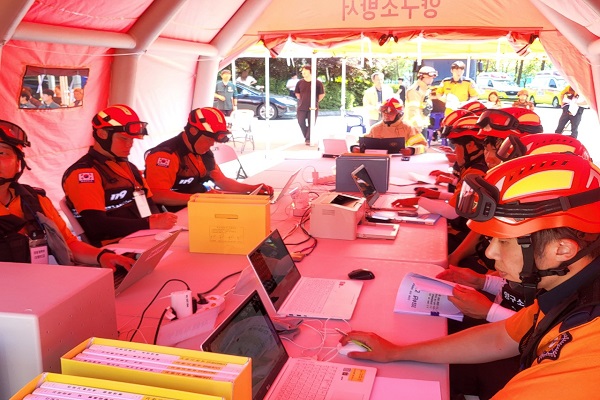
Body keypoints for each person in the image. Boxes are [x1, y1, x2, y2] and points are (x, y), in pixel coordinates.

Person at [343, 152, 600, 399]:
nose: (490, 252)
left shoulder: (588, 350)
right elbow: (502, 337)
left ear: (562, 250)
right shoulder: (570, 288)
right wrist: (396, 352)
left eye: (504, 242)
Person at [0, 119, 134, 270]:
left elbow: (68, 243)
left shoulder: (35, 200)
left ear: (18, 162)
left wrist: (102, 256)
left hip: (42, 279)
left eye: (2, 153)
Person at [62, 105, 177, 247]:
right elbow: (97, 225)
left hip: (145, 238)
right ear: (102, 134)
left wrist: (158, 223)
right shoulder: (84, 173)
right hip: (113, 247)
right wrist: (149, 223)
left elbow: (150, 206)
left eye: (132, 140)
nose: (130, 145)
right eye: (123, 139)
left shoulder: (129, 167)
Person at [144, 107, 273, 212]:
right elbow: (157, 195)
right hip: (175, 215)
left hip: (198, 207)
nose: (212, 144)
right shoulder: (165, 155)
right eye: (208, 139)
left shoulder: (202, 151)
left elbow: (222, 181)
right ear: (193, 131)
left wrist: (252, 188)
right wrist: (198, 198)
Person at [360, 98, 427, 155]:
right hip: (380, 161)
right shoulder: (375, 128)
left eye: (391, 112)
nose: (386, 115)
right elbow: (361, 143)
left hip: (401, 162)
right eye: (384, 111)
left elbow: (423, 146)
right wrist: (357, 147)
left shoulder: (408, 128)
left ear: (399, 114)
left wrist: (412, 150)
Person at [294, 65, 325, 145]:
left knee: (311, 123)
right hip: (301, 106)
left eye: (305, 70)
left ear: (311, 72)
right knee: (301, 122)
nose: (303, 72)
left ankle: (308, 139)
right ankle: (307, 136)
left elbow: (321, 94)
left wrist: (316, 101)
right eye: (302, 71)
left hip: (313, 107)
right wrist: (302, 99)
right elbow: (297, 93)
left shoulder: (318, 83)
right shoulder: (300, 82)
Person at [404, 66, 437, 134]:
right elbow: (413, 110)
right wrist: (417, 125)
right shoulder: (414, 90)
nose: (431, 80)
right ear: (421, 77)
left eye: (432, 78)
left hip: (423, 124)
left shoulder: (426, 89)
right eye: (428, 77)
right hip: (415, 127)